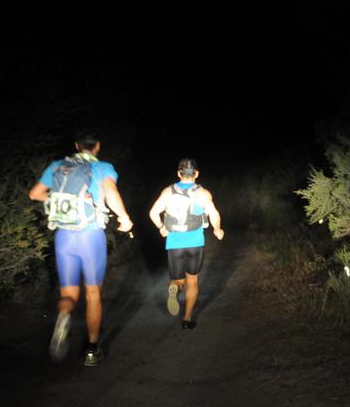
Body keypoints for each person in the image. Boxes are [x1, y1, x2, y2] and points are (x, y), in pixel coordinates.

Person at [29, 130, 133, 366]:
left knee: (68, 293)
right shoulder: (103, 167)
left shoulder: (57, 165)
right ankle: (91, 351)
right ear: (97, 147)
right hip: (90, 236)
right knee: (93, 293)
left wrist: (61, 201)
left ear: (76, 146)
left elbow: (35, 194)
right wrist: (124, 218)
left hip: (64, 236)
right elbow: (111, 192)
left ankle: (64, 315)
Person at [149, 158, 224, 329]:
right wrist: (217, 229)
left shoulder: (168, 191)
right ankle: (187, 319)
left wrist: (161, 227)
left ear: (178, 173)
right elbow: (214, 214)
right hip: (195, 243)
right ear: (196, 174)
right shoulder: (203, 193)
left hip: (174, 243)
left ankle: (175, 287)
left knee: (178, 279)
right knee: (192, 281)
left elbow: (153, 212)